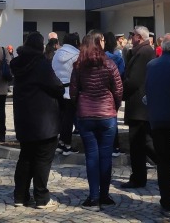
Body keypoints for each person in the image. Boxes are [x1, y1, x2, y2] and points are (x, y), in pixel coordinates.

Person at [10, 32, 64, 210]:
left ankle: (20, 195)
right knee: (42, 159)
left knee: (25, 157)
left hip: (24, 118)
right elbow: (56, 86)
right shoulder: (41, 64)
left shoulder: (17, 63)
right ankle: (41, 197)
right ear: (40, 46)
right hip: (43, 120)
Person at [71, 30, 123, 210]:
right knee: (105, 156)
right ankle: (104, 195)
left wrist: (79, 106)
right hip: (107, 114)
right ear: (98, 42)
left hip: (86, 115)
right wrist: (114, 106)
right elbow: (118, 89)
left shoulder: (79, 65)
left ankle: (94, 197)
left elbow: (73, 91)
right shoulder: (109, 63)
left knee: (92, 156)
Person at [145, 35, 170, 215]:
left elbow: (147, 90)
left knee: (164, 164)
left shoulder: (152, 65)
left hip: (158, 119)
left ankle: (167, 203)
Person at [121, 25, 156, 189]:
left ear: (140, 38)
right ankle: (139, 176)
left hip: (139, 106)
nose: (131, 38)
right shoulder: (141, 51)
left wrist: (120, 92)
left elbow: (134, 80)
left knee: (139, 143)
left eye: (133, 35)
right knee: (143, 143)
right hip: (140, 106)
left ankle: (139, 177)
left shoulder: (143, 53)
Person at [51, 32, 79, 155]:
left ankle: (61, 143)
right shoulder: (77, 55)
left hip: (58, 89)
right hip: (70, 90)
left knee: (62, 118)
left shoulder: (57, 54)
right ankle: (67, 145)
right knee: (69, 118)